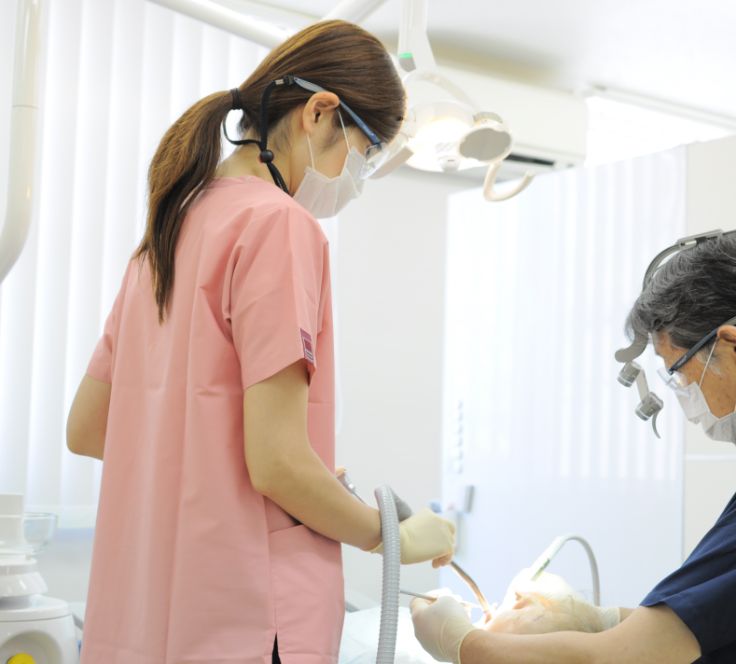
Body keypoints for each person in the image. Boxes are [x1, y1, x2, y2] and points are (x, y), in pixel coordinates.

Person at [65, 20, 455, 664]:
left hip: (143, 621)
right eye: (364, 153)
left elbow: (88, 429)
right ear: (319, 113)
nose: (357, 178)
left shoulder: (164, 233)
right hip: (246, 620)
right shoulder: (278, 225)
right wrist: (391, 537)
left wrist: (224, 471)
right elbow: (276, 465)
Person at [410, 231, 736, 663]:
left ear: (735, 348)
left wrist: (463, 642)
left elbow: (624, 660)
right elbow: (725, 620)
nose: (680, 392)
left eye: (677, 370)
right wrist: (597, 620)